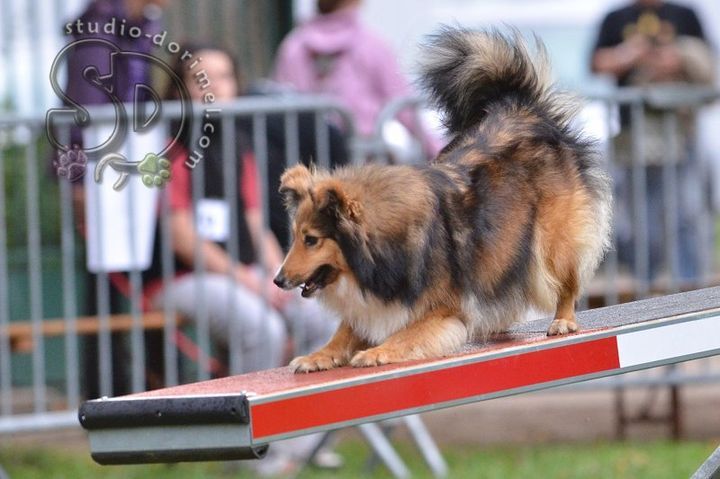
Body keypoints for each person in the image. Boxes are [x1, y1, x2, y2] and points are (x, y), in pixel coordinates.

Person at [148, 42, 341, 475]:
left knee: (323, 322)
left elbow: (257, 225)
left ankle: (295, 448)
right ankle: (252, 452)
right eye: (201, 77)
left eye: (223, 77)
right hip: (179, 278)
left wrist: (280, 277)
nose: (213, 87)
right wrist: (246, 279)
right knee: (261, 329)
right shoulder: (169, 146)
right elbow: (181, 236)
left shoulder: (241, 144)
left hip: (242, 271)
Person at [591, 0, 715, 283]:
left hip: (683, 134)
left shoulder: (685, 15)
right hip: (634, 139)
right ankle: (645, 287)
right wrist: (630, 55)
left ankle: (690, 289)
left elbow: (708, 61)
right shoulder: (616, 18)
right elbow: (597, 63)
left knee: (688, 212)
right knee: (641, 220)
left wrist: (678, 58)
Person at [273, 0, 442, 160]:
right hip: (366, 161)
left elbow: (281, 101)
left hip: (308, 160)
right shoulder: (371, 44)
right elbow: (404, 107)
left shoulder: (293, 46)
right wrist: (437, 151)